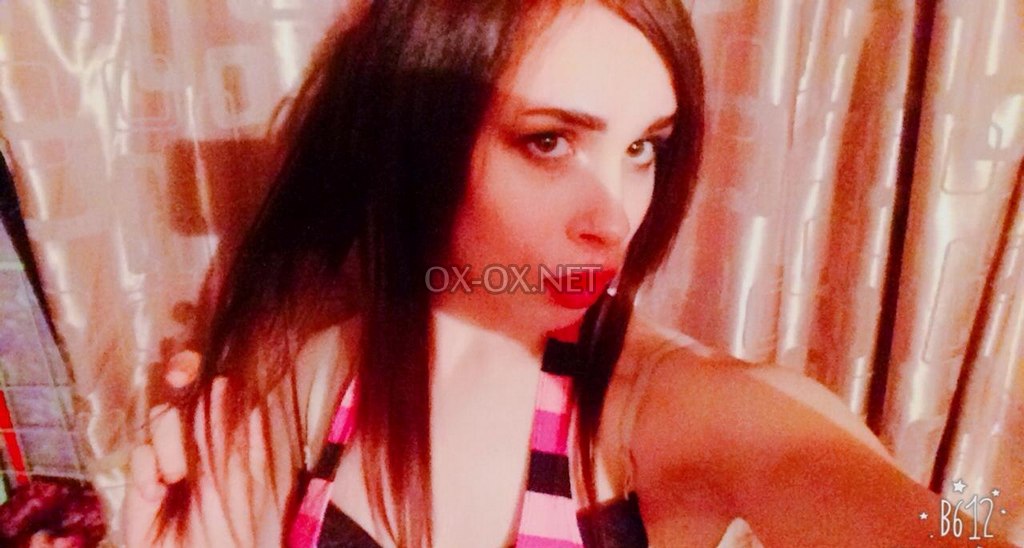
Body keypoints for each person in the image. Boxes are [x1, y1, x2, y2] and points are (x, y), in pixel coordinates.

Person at [121, 1, 1016, 547]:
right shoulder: (322, 376)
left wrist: (979, 504)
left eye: (643, 147)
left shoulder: (672, 407)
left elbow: (934, 520)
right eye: (549, 141)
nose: (615, 218)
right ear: (415, 144)